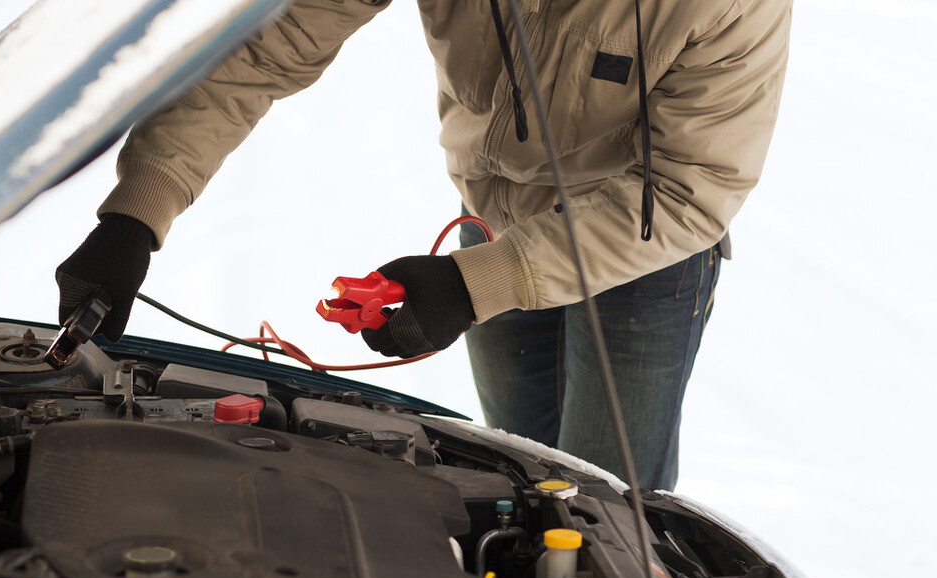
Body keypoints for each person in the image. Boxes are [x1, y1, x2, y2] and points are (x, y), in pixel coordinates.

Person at [54, 0, 791, 491]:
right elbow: (262, 52)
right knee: (520, 475)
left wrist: (477, 284)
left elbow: (694, 184)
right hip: (491, 227)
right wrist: (135, 215)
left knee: (602, 504)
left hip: (643, 258)